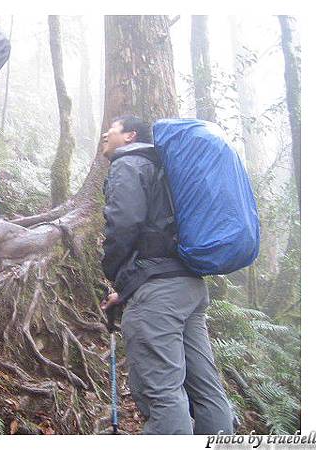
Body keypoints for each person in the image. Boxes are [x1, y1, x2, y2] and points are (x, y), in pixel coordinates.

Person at [100, 115, 234, 435]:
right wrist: (128, 289)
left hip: (159, 295)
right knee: (207, 392)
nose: (105, 134)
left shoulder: (129, 164)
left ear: (131, 136)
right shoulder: (166, 169)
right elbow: (159, 240)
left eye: (112, 129)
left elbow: (125, 223)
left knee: (163, 394)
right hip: (189, 286)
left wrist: (113, 271)